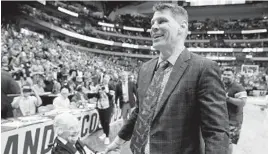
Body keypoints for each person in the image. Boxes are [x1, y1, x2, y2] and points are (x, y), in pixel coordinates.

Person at [105, 3, 229, 154]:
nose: (154, 27)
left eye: (162, 21)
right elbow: (140, 110)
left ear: (182, 28)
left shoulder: (204, 68)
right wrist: (119, 140)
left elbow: (216, 132)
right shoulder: (145, 69)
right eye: (152, 23)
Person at [222, 68, 247, 154]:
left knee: (228, 142)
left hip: (234, 120)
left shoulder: (238, 87)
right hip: (223, 118)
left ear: (234, 76)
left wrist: (228, 98)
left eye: (228, 75)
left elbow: (242, 103)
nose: (226, 76)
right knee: (222, 141)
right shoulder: (222, 86)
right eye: (224, 74)